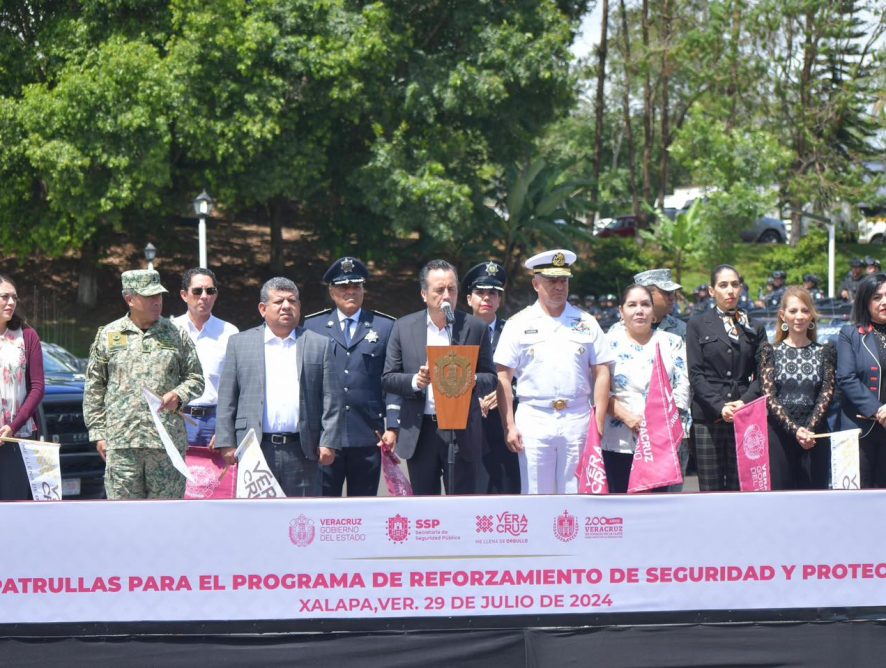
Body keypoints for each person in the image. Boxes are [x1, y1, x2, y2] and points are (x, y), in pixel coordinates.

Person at [494, 249, 613, 494]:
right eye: (551, 281)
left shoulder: (586, 321)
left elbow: (602, 371)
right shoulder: (518, 323)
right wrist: (509, 425)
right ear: (536, 284)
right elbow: (503, 376)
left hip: (577, 417)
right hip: (535, 417)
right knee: (536, 492)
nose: (559, 286)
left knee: (576, 492)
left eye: (563, 280)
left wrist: (598, 421)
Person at [84, 270, 204, 499]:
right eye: (149, 296)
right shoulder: (109, 335)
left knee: (166, 519)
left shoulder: (176, 334)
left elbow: (196, 378)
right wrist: (99, 433)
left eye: (159, 295)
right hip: (121, 444)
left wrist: (178, 394)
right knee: (124, 519)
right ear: (130, 299)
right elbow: (95, 387)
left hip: (166, 444)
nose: (157, 301)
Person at [216, 277, 341, 497]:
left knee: (300, 521)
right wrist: (226, 441)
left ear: (300, 307)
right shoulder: (239, 343)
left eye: (292, 301)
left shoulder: (318, 344)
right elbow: (227, 397)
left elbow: (333, 398)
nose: (286, 306)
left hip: (303, 450)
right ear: (263, 309)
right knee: (256, 521)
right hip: (255, 449)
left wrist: (328, 441)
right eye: (279, 301)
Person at [382, 260, 496, 495]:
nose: (447, 296)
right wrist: (416, 381)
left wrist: (471, 379)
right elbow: (388, 378)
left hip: (462, 430)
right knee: (425, 508)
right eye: (439, 290)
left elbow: (490, 377)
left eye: (452, 289)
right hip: (421, 430)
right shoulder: (404, 327)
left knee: (462, 503)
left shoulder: (474, 327)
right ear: (424, 294)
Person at [303, 257, 398, 497]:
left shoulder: (384, 326)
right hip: (326, 435)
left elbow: (391, 379)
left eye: (356, 286)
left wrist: (394, 426)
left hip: (368, 434)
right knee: (325, 510)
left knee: (364, 509)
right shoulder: (313, 326)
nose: (351, 291)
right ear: (332, 292)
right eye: (344, 287)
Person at [686, 264, 767, 491]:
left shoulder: (754, 327)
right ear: (712, 291)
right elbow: (695, 374)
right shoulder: (697, 325)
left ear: (741, 288)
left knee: (738, 486)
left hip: (744, 414)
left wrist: (744, 403)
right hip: (708, 415)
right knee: (710, 489)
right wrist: (720, 406)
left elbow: (763, 375)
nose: (730, 290)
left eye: (734, 285)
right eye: (723, 285)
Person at [602, 284, 689, 493]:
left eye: (645, 304)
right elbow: (599, 390)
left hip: (661, 441)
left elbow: (683, 388)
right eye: (632, 305)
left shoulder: (673, 342)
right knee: (621, 508)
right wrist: (628, 417)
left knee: (658, 510)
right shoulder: (606, 345)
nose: (639, 310)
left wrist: (656, 423)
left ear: (653, 311)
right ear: (621, 312)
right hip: (619, 440)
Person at [757, 287, 835, 489]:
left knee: (815, 499)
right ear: (783, 315)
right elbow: (769, 397)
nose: (799, 316)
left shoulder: (825, 352)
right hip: (779, 436)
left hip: (815, 435)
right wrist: (795, 430)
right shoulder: (769, 351)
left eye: (804, 310)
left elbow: (826, 395)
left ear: (812, 316)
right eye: (793, 311)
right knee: (781, 501)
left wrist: (808, 429)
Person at [462, 260, 520, 494]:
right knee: (471, 493)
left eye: (493, 293)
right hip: (469, 423)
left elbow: (527, 373)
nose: (487, 297)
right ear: (469, 299)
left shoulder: (514, 331)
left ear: (499, 299)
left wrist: (508, 393)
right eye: (480, 292)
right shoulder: (454, 332)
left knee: (507, 491)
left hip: (507, 424)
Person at [172, 268, 239, 450]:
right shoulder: (169, 330)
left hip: (216, 420)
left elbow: (237, 385)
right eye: (197, 291)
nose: (204, 296)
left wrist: (226, 428)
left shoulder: (230, 332)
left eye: (210, 291)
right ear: (184, 295)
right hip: (178, 418)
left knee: (214, 478)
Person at [836, 272, 886, 488]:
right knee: (856, 500)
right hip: (858, 430)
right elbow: (846, 378)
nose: (884, 302)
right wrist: (878, 409)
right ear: (865, 301)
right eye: (877, 297)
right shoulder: (850, 334)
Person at [0, 274, 45, 500]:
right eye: (4, 297)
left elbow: (37, 388)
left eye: (14, 298)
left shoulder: (27, 336)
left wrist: (13, 426)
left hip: (17, 437)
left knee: (12, 506)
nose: (11, 303)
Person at [629, 268, 686, 338]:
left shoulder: (682, 329)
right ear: (647, 295)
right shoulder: (622, 331)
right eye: (667, 292)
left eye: (673, 292)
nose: (672, 297)